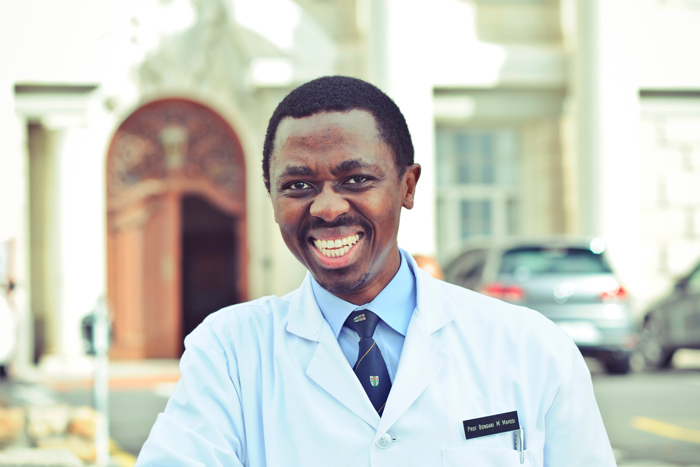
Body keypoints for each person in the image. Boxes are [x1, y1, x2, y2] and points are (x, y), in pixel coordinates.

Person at [136, 76, 616, 466]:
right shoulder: (230, 354)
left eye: (356, 179)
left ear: (408, 186)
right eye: (298, 184)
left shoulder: (530, 348)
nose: (326, 208)